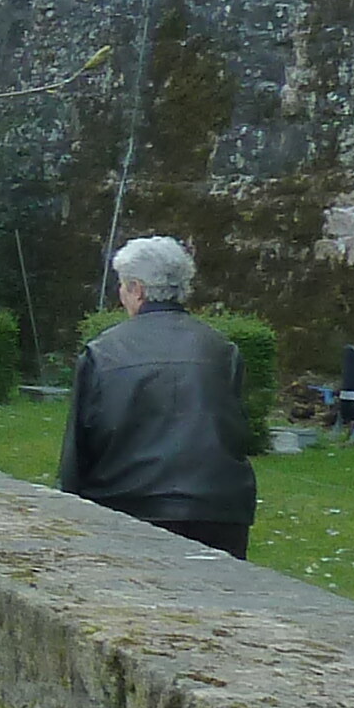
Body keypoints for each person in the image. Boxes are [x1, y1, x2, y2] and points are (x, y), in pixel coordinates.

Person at [56, 234, 257, 555]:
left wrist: (71, 514)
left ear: (137, 289)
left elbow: (78, 447)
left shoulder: (103, 352)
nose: (120, 293)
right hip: (218, 511)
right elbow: (235, 431)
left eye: (122, 285)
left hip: (128, 506)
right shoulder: (222, 349)